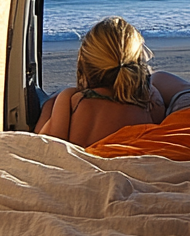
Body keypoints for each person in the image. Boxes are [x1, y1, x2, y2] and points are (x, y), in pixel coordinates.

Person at [35, 17, 165, 147]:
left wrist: (48, 106)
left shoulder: (72, 100)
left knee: (49, 103)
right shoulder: (149, 99)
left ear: (84, 62)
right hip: (128, 162)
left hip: (84, 164)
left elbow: (47, 146)